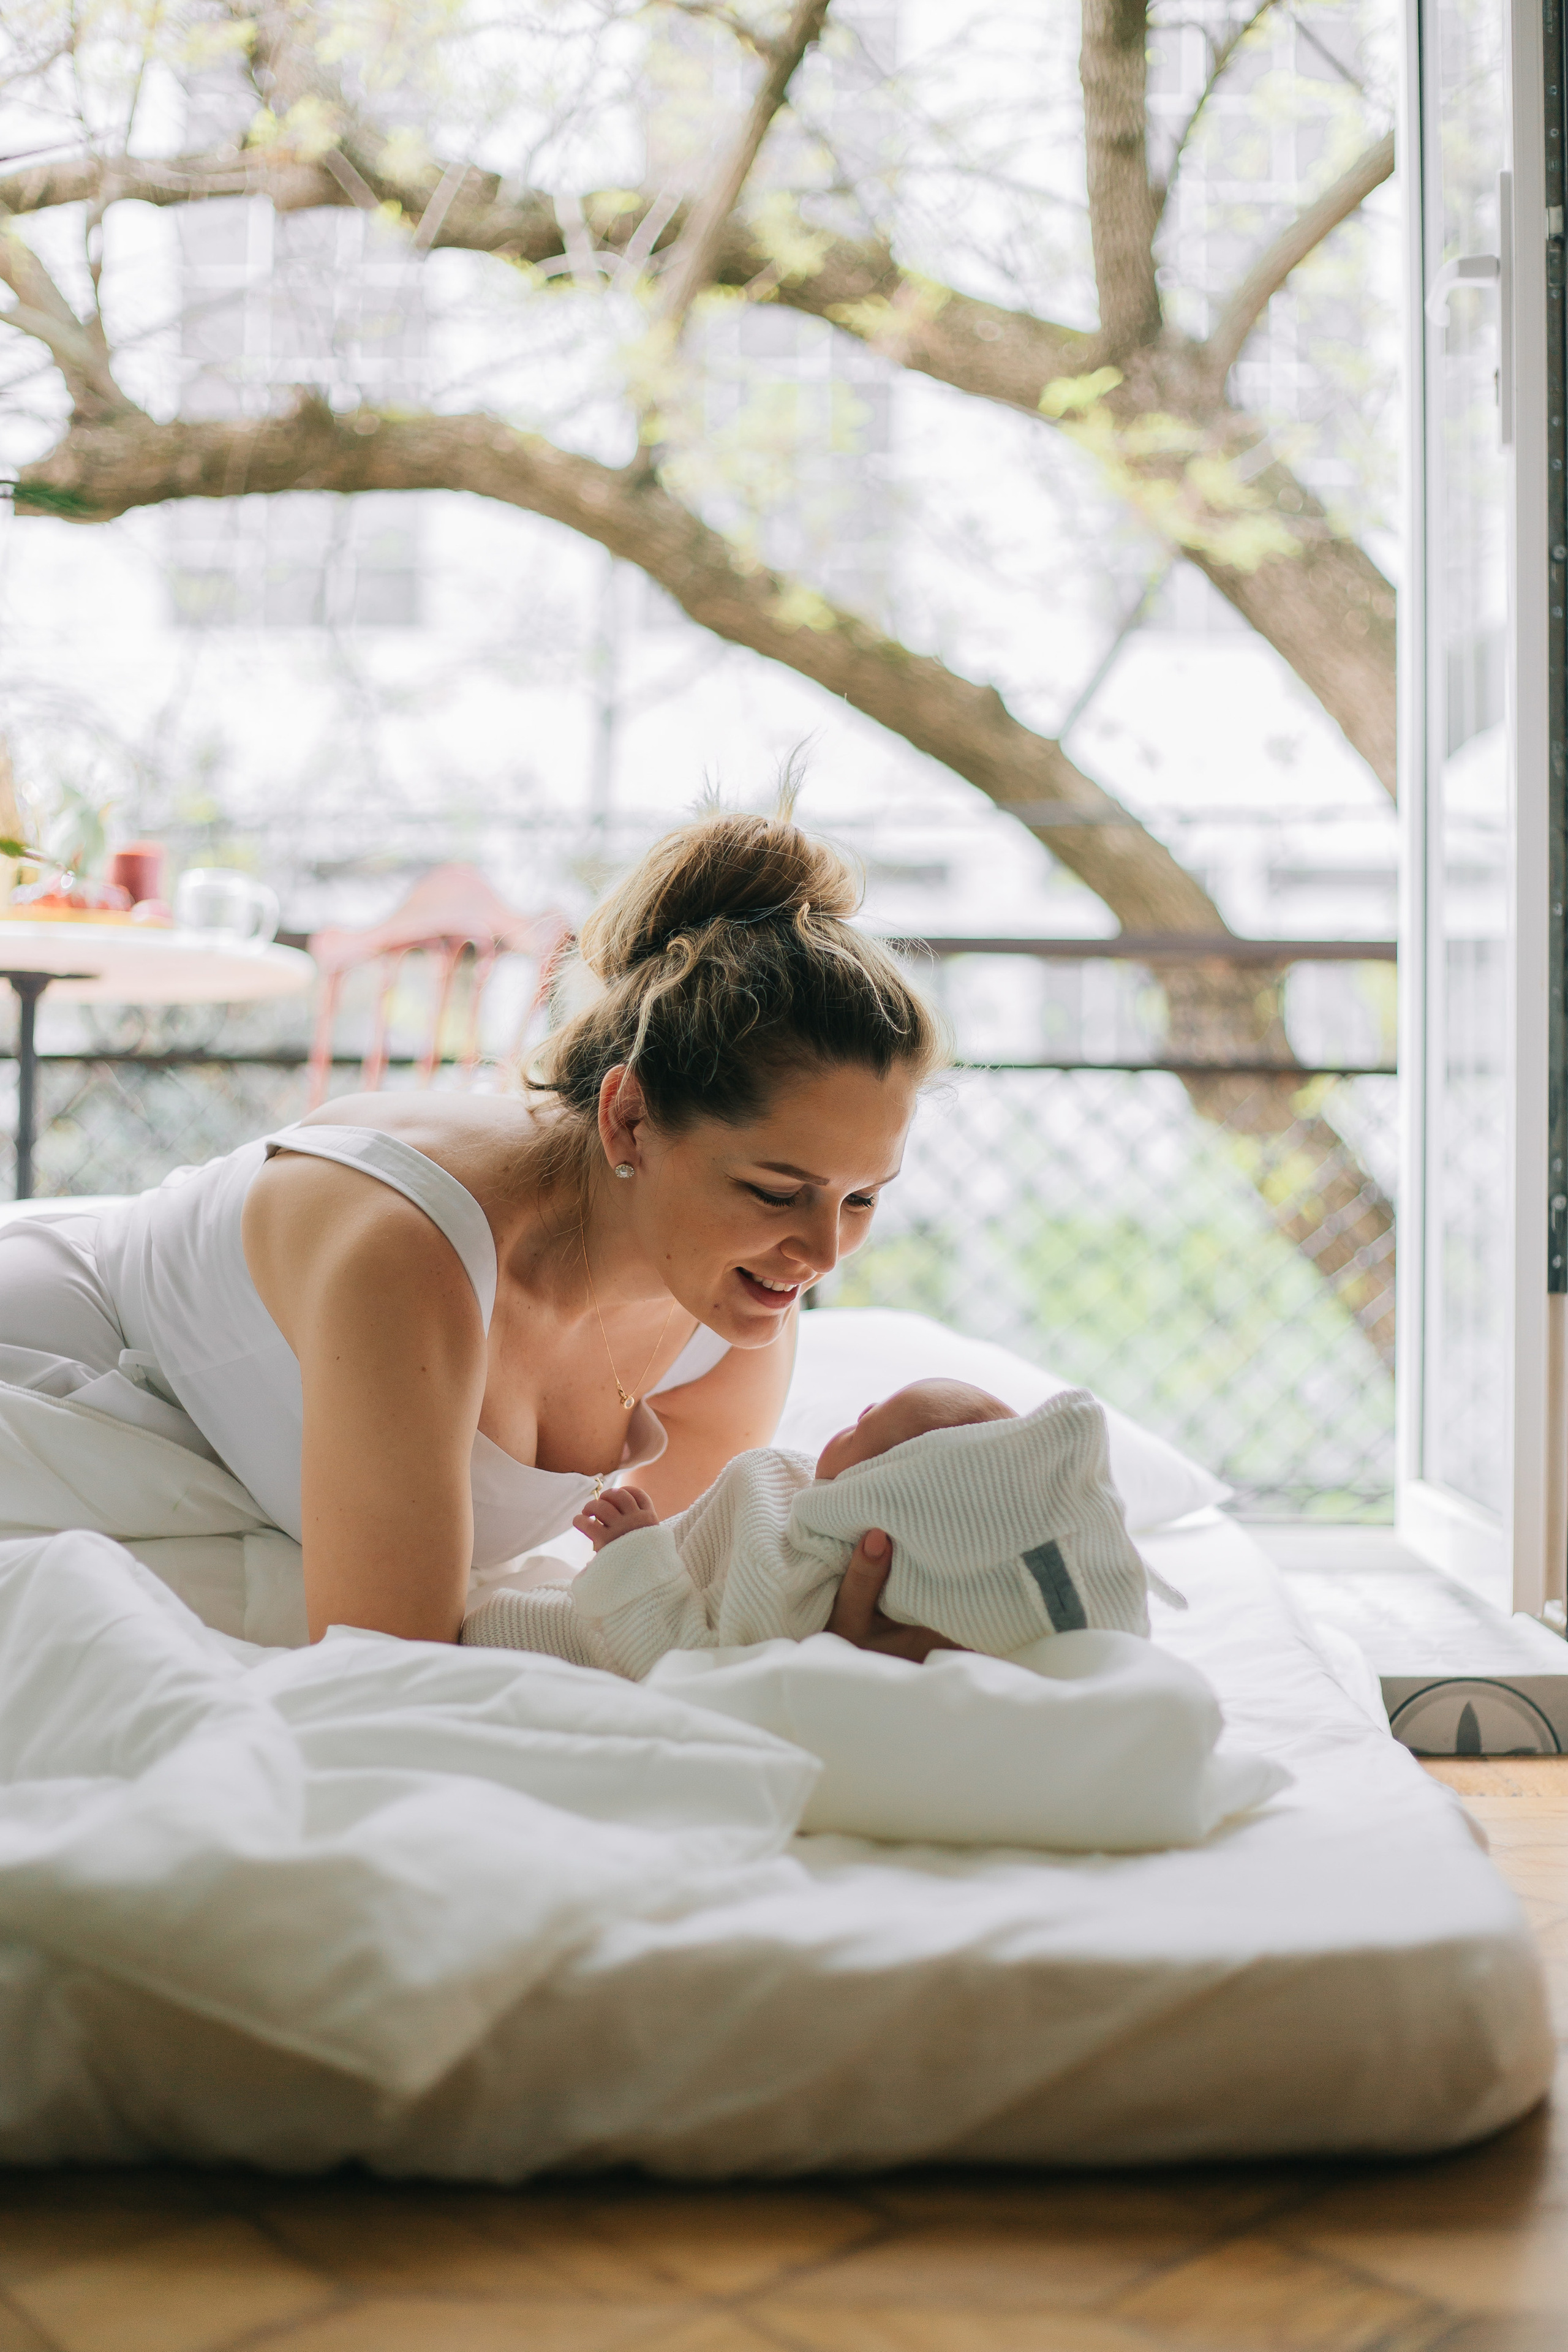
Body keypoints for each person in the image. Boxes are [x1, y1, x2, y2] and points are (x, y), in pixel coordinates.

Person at [0, 810, 953, 1650]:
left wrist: (830, 1633)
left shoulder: (737, 1312)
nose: (824, 1254)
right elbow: (390, 1665)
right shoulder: (410, 1253)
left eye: (862, 1199)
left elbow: (684, 1613)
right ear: (628, 1120)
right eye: (776, 1191)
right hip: (65, 1372)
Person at [464, 1377, 1158, 1677]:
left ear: (888, 1491)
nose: (853, 1414)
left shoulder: (802, 1567)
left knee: (485, 1621)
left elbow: (691, 1666)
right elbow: (708, 1559)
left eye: (868, 1424)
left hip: (562, 1651)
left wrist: (636, 1552)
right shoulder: (802, 1499)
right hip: (567, 1599)